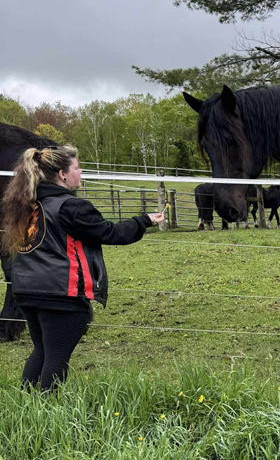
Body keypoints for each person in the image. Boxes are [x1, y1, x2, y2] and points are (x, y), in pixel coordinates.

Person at [0, 145, 164, 391]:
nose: (81, 171)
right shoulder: (71, 207)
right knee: (56, 356)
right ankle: (47, 411)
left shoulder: (29, 205)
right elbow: (111, 233)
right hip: (58, 293)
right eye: (77, 167)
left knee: (43, 349)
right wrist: (145, 220)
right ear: (63, 175)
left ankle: (28, 405)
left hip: (27, 291)